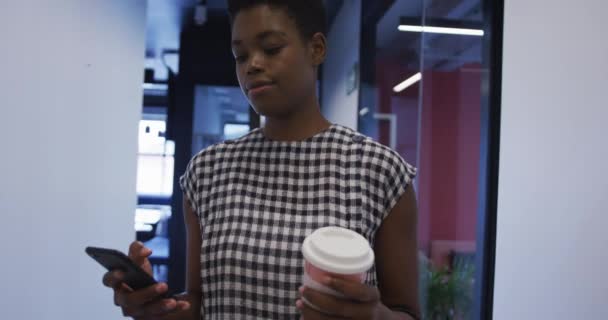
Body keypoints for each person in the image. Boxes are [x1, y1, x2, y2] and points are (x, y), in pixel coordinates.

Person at [102, 0, 420, 319]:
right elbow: (202, 303)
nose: (251, 65)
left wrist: (375, 316)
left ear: (317, 49)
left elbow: (406, 312)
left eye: (270, 48)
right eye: (240, 55)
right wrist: (154, 304)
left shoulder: (378, 170)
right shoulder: (208, 171)